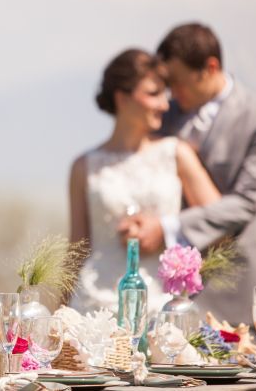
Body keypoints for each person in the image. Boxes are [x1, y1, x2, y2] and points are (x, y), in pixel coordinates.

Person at [123, 22, 256, 325]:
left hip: (230, 289)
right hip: (160, 293)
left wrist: (167, 228)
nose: (173, 93)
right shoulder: (162, 112)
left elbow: (245, 204)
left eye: (179, 83)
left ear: (210, 68)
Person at [69, 48, 221, 313]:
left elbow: (219, 221)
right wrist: (60, 316)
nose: (165, 104)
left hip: (161, 302)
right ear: (122, 98)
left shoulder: (177, 154)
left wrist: (165, 230)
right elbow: (76, 252)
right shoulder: (84, 167)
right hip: (94, 304)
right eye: (153, 94)